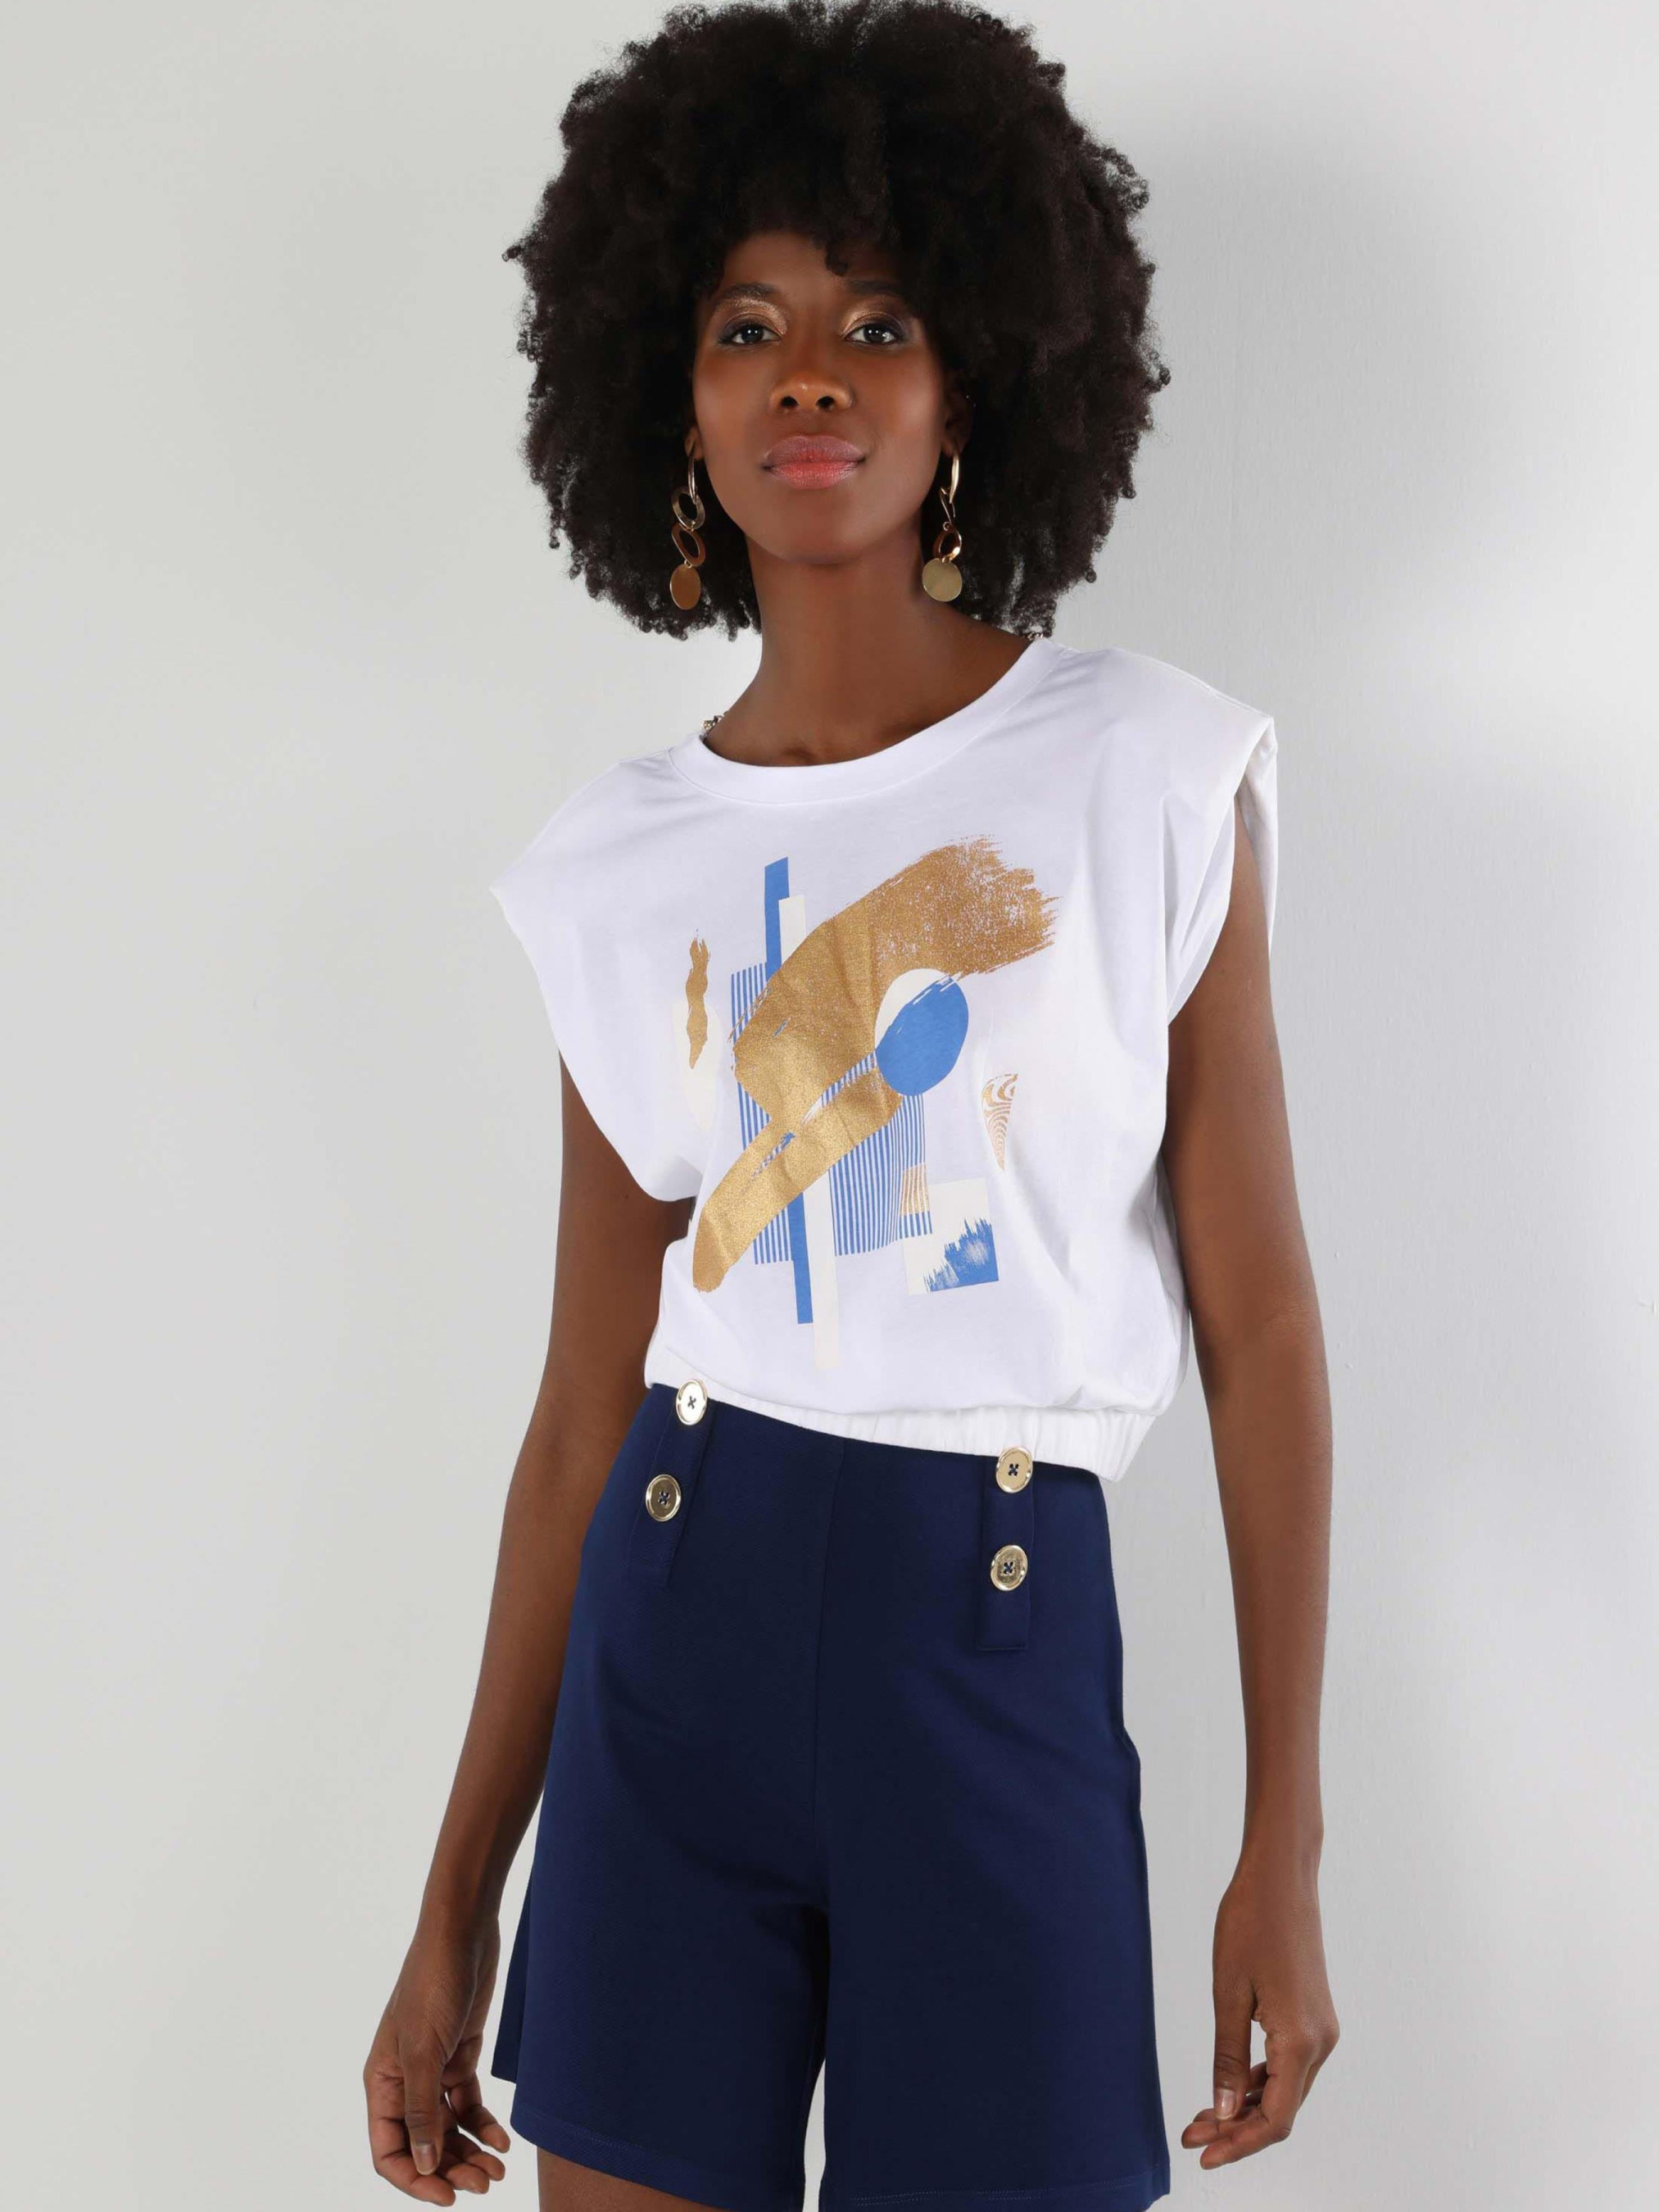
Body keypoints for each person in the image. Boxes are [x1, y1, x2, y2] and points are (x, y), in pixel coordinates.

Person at [362, 3, 1338, 2207]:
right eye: (747, 326)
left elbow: (1262, 1321)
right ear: (669, 397)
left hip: (989, 1634)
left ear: (974, 379)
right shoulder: (615, 870)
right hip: (673, 1634)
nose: (809, 376)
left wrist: (1283, 1832)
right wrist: (454, 1898)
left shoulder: (1145, 774)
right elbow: (579, 1410)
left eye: (875, 323)